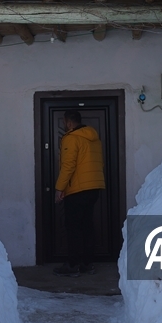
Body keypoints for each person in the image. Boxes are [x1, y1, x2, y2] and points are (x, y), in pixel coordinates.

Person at [53, 110, 106, 276]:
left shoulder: (71, 138)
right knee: (87, 226)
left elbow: (68, 166)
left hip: (77, 189)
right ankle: (87, 264)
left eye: (64, 123)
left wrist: (59, 188)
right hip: (94, 187)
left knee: (73, 227)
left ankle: (73, 265)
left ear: (68, 123)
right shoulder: (94, 139)